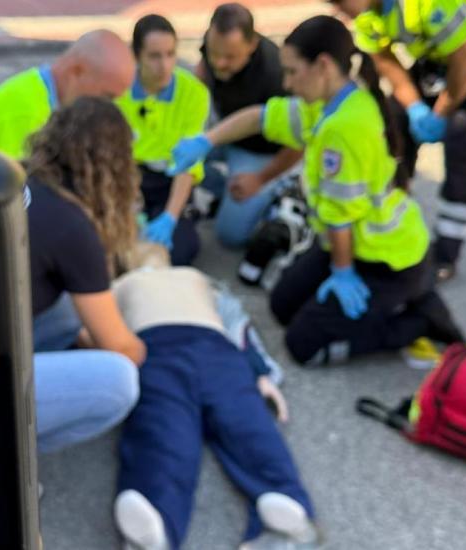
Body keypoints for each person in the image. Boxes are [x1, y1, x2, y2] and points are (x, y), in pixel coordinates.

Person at [168, 16, 462, 367]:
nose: (287, 83)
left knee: (303, 346)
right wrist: (205, 141)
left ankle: (418, 319)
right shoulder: (331, 100)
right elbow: (262, 117)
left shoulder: (344, 127)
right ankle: (386, 300)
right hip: (349, 241)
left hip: (385, 259)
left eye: (292, 72)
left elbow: (340, 217)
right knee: (282, 306)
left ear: (322, 65)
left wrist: (342, 271)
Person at [111, 244, 320, 550]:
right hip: (197, 350)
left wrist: (261, 372)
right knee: (227, 428)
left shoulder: (137, 284)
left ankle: (159, 517)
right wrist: (259, 371)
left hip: (174, 349)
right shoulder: (189, 280)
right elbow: (239, 326)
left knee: (183, 431)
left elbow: (238, 323)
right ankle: (285, 504)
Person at [327, 0, 466, 281]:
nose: (340, 10)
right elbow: (384, 60)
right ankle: (393, 228)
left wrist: (441, 113)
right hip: (440, 52)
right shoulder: (368, 14)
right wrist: (414, 107)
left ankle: (445, 255)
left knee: (463, 139)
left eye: (341, 2)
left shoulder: (427, 4)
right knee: (395, 125)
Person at [24, 97, 147, 453]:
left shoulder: (22, 178)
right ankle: (0, 459)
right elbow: (123, 350)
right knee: (120, 382)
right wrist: (147, 346)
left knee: (70, 311)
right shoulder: (72, 226)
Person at [196, 3, 304, 248]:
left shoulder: (277, 75)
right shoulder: (216, 43)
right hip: (225, 132)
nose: (219, 63)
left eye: (230, 57)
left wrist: (260, 179)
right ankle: (225, 187)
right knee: (170, 153)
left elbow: (300, 142)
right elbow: (202, 69)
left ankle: (279, 188)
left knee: (230, 235)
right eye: (214, 54)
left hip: (262, 151)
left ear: (252, 44)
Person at [116, 15, 210, 266]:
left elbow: (188, 162)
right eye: (154, 56)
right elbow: (110, 155)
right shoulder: (118, 89)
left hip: (171, 178)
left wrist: (170, 217)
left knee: (181, 249)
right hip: (127, 178)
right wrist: (128, 207)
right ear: (136, 55)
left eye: (170, 54)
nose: (165, 65)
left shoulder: (194, 93)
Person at [0, 29, 136, 160]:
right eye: (107, 97)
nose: (110, 108)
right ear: (76, 71)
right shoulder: (27, 112)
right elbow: (25, 192)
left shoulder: (46, 96)